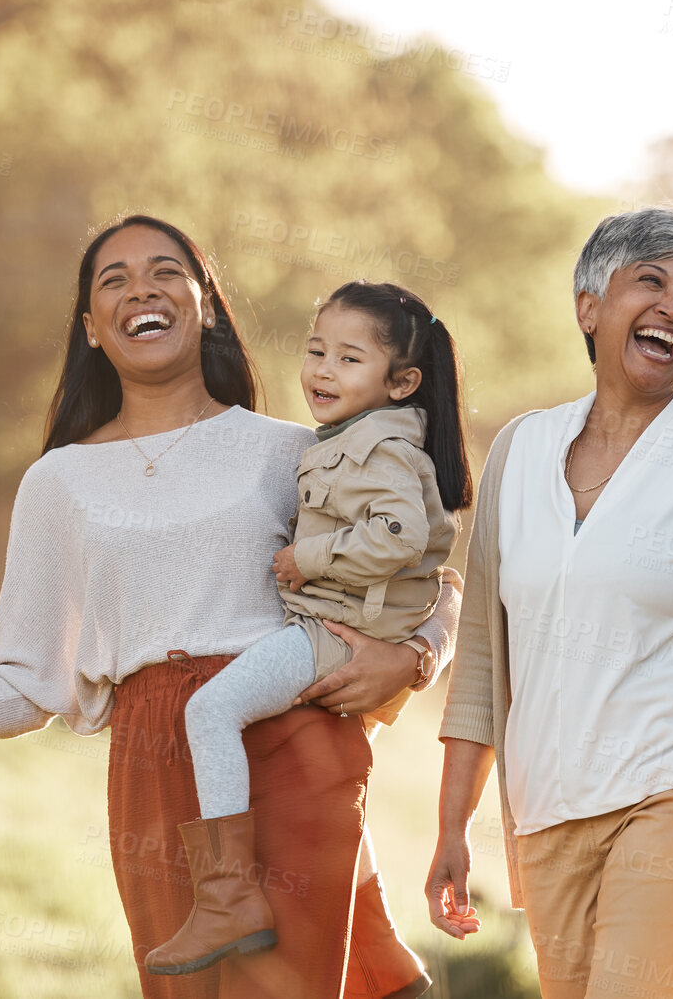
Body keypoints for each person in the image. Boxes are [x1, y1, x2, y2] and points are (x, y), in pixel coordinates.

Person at [0, 215, 460, 999]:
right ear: (90, 328)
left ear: (205, 302)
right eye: (114, 279)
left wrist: (415, 656)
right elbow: (24, 684)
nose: (140, 289)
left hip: (289, 739)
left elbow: (431, 571)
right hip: (151, 769)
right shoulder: (58, 484)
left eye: (164, 272)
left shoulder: (291, 451)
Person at [429, 204, 673, 999]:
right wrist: (450, 827)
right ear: (588, 305)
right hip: (550, 815)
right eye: (650, 281)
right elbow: (480, 655)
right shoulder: (519, 450)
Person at [137, 281, 473, 976]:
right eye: (316, 350)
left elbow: (400, 533)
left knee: (212, 710)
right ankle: (379, 966)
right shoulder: (353, 438)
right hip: (339, 628)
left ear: (401, 381)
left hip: (335, 634)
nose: (322, 369)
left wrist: (305, 557)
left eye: (349, 359)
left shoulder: (381, 448)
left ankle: (227, 898)